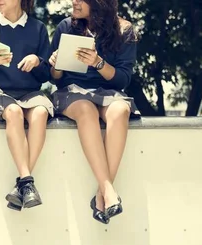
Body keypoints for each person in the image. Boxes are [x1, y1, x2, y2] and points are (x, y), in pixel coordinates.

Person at [49, 0, 139, 224]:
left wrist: (98, 63)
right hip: (71, 93)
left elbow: (123, 79)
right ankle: (108, 191)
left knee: (120, 110)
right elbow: (52, 77)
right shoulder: (65, 27)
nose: (74, 2)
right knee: (86, 110)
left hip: (108, 92)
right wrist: (56, 65)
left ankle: (102, 196)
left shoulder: (125, 31)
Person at [0, 0, 53, 212]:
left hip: (31, 93)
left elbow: (48, 74)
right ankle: (26, 181)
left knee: (40, 112)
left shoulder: (37, 28)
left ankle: (23, 183)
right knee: (14, 112)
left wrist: (37, 61)